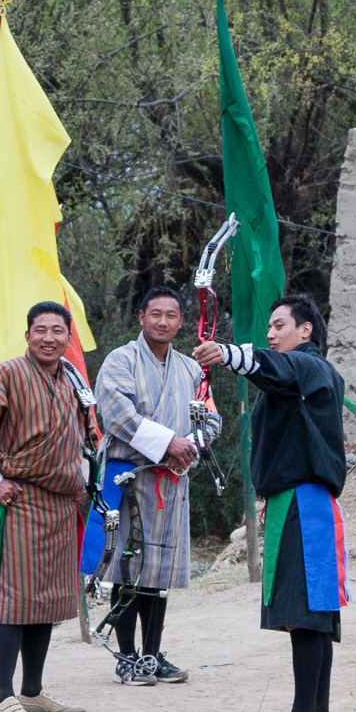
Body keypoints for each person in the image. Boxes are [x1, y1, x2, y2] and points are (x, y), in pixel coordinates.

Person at [194, 295, 348, 712]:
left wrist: (227, 353)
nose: (271, 333)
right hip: (301, 503)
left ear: (306, 332)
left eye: (280, 325)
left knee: (305, 616)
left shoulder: (309, 367)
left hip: (304, 503)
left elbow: (275, 369)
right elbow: (274, 376)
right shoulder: (297, 374)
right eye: (269, 327)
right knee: (311, 616)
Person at [0, 301, 94, 712]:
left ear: (68, 338)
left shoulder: (70, 380)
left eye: (57, 331)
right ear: (27, 335)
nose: (49, 338)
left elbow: (84, 438)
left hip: (62, 504)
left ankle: (32, 693)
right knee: (14, 603)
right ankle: (3, 698)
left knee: (46, 601)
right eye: (40, 330)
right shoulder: (6, 374)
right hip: (20, 501)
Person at [91, 287, 221, 685]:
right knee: (128, 569)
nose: (163, 321)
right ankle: (127, 658)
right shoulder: (120, 360)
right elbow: (116, 415)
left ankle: (152, 655)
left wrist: (187, 448)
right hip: (131, 479)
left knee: (159, 575)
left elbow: (210, 421)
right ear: (141, 317)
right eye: (155, 314)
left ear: (181, 321)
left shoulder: (192, 370)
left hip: (172, 480)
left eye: (171, 315)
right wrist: (168, 443)